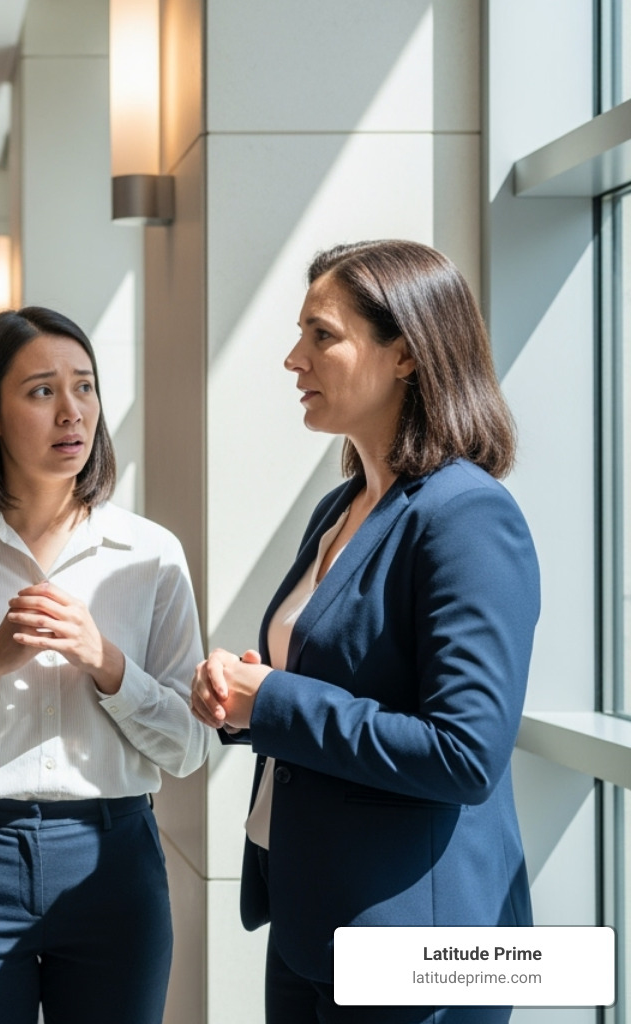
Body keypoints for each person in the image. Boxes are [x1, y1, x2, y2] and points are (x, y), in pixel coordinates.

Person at [190, 240, 538, 1024]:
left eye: (322, 335)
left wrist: (273, 699)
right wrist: (243, 699)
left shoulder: (467, 516)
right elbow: (342, 683)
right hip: (316, 921)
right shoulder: (342, 507)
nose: (293, 359)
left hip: (421, 944)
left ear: (407, 353)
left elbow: (465, 753)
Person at [0, 306, 210, 1024]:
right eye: (41, 390)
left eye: (84, 387)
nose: (71, 411)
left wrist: (107, 663)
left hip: (113, 862)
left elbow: (190, 747)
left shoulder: (151, 554)